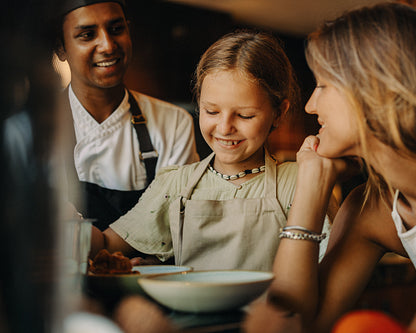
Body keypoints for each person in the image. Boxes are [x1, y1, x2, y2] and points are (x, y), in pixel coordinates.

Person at [243, 3, 416, 333]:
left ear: (375, 87)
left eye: (322, 85)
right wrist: (310, 188)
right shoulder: (373, 208)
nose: (310, 105)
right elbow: (297, 323)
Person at [90, 30, 331, 270]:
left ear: (279, 113)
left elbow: (329, 266)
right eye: (211, 111)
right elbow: (107, 244)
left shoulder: (299, 182)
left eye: (245, 115)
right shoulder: (175, 185)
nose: (225, 128)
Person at [53, 0, 199, 230]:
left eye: (116, 29)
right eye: (88, 35)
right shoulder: (30, 130)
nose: (108, 46)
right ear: (61, 47)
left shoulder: (173, 123)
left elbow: (179, 219)